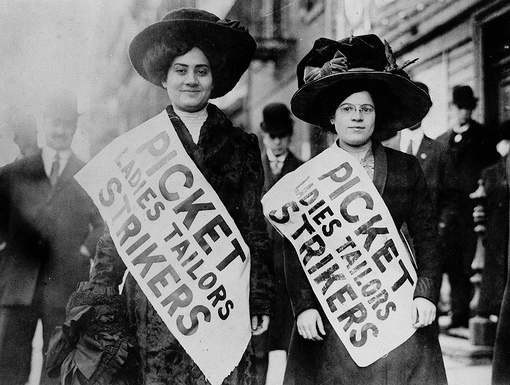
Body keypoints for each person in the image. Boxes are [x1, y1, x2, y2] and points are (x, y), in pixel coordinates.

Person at [46, 8, 274, 385]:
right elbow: (116, 233)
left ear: (214, 79)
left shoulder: (242, 147)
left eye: (201, 71)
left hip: (222, 300)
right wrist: (102, 296)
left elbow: (253, 227)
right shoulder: (138, 146)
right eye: (181, 70)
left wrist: (260, 295)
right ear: (165, 78)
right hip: (156, 302)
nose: (191, 80)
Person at [282, 34, 447, 384]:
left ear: (376, 116)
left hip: (397, 304)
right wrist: (305, 306)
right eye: (347, 109)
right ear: (332, 117)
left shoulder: (405, 168)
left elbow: (427, 235)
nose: (357, 118)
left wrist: (426, 292)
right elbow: (296, 247)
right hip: (335, 311)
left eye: (365, 109)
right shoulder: (308, 178)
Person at [0, 88, 104, 385]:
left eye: (67, 123)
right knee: (8, 367)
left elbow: (104, 224)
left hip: (64, 287)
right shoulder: (14, 173)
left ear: (75, 126)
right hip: (17, 285)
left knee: (56, 369)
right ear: (44, 122)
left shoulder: (89, 174)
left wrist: (86, 249)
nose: (60, 130)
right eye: (54, 122)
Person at [436, 85, 500, 329]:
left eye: (468, 108)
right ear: (451, 108)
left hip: (475, 212)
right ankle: (458, 314)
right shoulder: (442, 141)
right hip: (449, 214)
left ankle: (479, 312)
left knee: (470, 263)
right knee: (451, 263)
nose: (464, 112)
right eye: (460, 107)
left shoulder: (485, 137)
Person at [257, 103, 303, 384]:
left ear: (290, 135)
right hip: (259, 275)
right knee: (257, 349)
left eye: (282, 134)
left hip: (289, 272)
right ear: (264, 135)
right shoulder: (251, 170)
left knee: (292, 348)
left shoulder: (302, 171)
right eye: (272, 135)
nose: (277, 140)